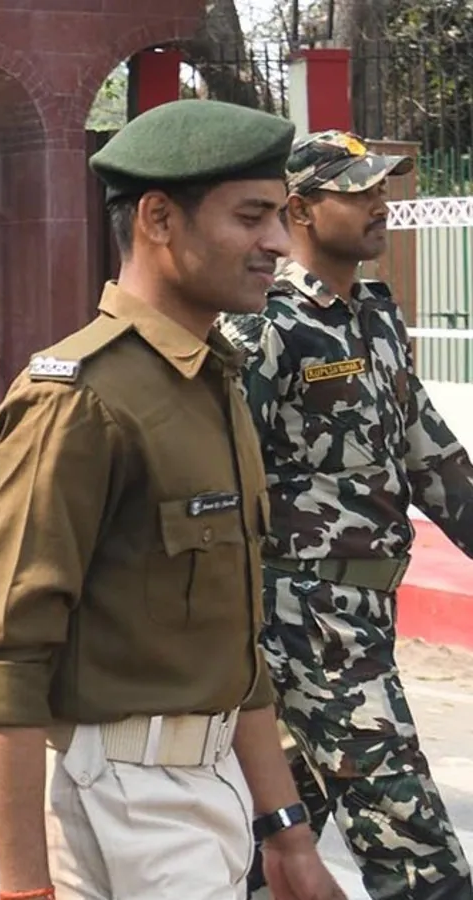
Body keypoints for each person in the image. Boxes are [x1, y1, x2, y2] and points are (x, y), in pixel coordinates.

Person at [0, 98, 348, 900]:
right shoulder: (80, 398)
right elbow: (9, 658)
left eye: (280, 217)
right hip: (125, 799)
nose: (278, 242)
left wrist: (288, 833)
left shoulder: (213, 380)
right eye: (252, 216)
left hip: (210, 789)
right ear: (159, 219)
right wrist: (23, 890)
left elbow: (234, 650)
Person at [221, 130, 473, 900]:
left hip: (365, 608)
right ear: (300, 210)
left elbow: (431, 455)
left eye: (382, 189)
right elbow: (221, 472)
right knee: (419, 856)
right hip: (306, 617)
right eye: (359, 192)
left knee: (266, 850)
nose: (380, 204)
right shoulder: (268, 325)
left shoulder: (374, 315)